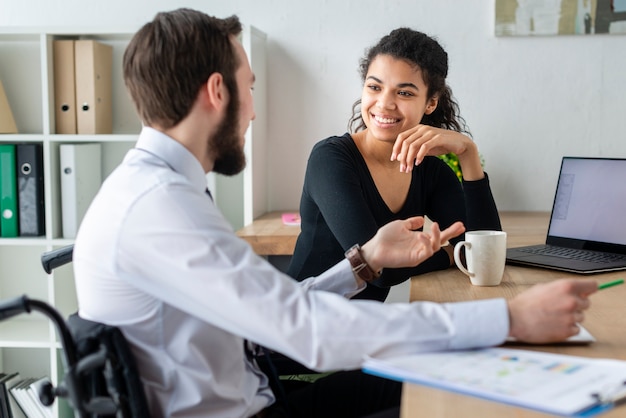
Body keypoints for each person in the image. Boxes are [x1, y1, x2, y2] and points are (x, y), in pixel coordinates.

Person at [72, 8, 598, 418]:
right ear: (217, 92)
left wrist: (365, 260)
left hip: (262, 388)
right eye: (250, 88)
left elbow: (271, 313)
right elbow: (304, 330)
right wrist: (508, 317)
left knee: (453, 373)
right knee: (460, 384)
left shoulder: (158, 192)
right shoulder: (163, 208)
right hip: (264, 403)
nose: (253, 109)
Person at [288, 28, 501, 301]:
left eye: (404, 93)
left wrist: (468, 153)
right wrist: (449, 254)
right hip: (300, 325)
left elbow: (483, 258)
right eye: (374, 87)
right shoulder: (330, 159)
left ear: (430, 103)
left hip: (363, 327)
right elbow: (381, 270)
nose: (385, 104)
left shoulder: (431, 172)